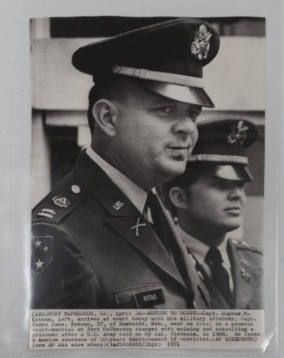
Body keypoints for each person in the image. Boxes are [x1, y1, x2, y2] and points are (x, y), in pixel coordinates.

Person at [31, 18, 220, 309]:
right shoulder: (58, 234)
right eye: (165, 109)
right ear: (107, 118)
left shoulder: (155, 211)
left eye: (192, 114)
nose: (187, 128)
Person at [163, 119, 262, 309]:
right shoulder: (156, 260)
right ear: (180, 198)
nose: (237, 196)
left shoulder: (257, 263)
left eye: (240, 186)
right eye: (221, 185)